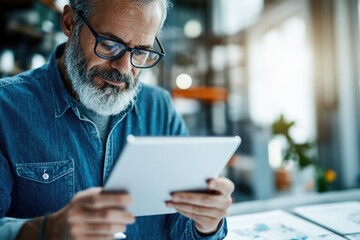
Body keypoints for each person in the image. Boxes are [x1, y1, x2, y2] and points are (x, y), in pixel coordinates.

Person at [0, 0, 235, 239]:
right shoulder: (6, 108)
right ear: (70, 23)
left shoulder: (159, 109)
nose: (123, 68)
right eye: (110, 45)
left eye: (141, 52)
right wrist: (47, 231)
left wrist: (207, 223)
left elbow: (181, 227)